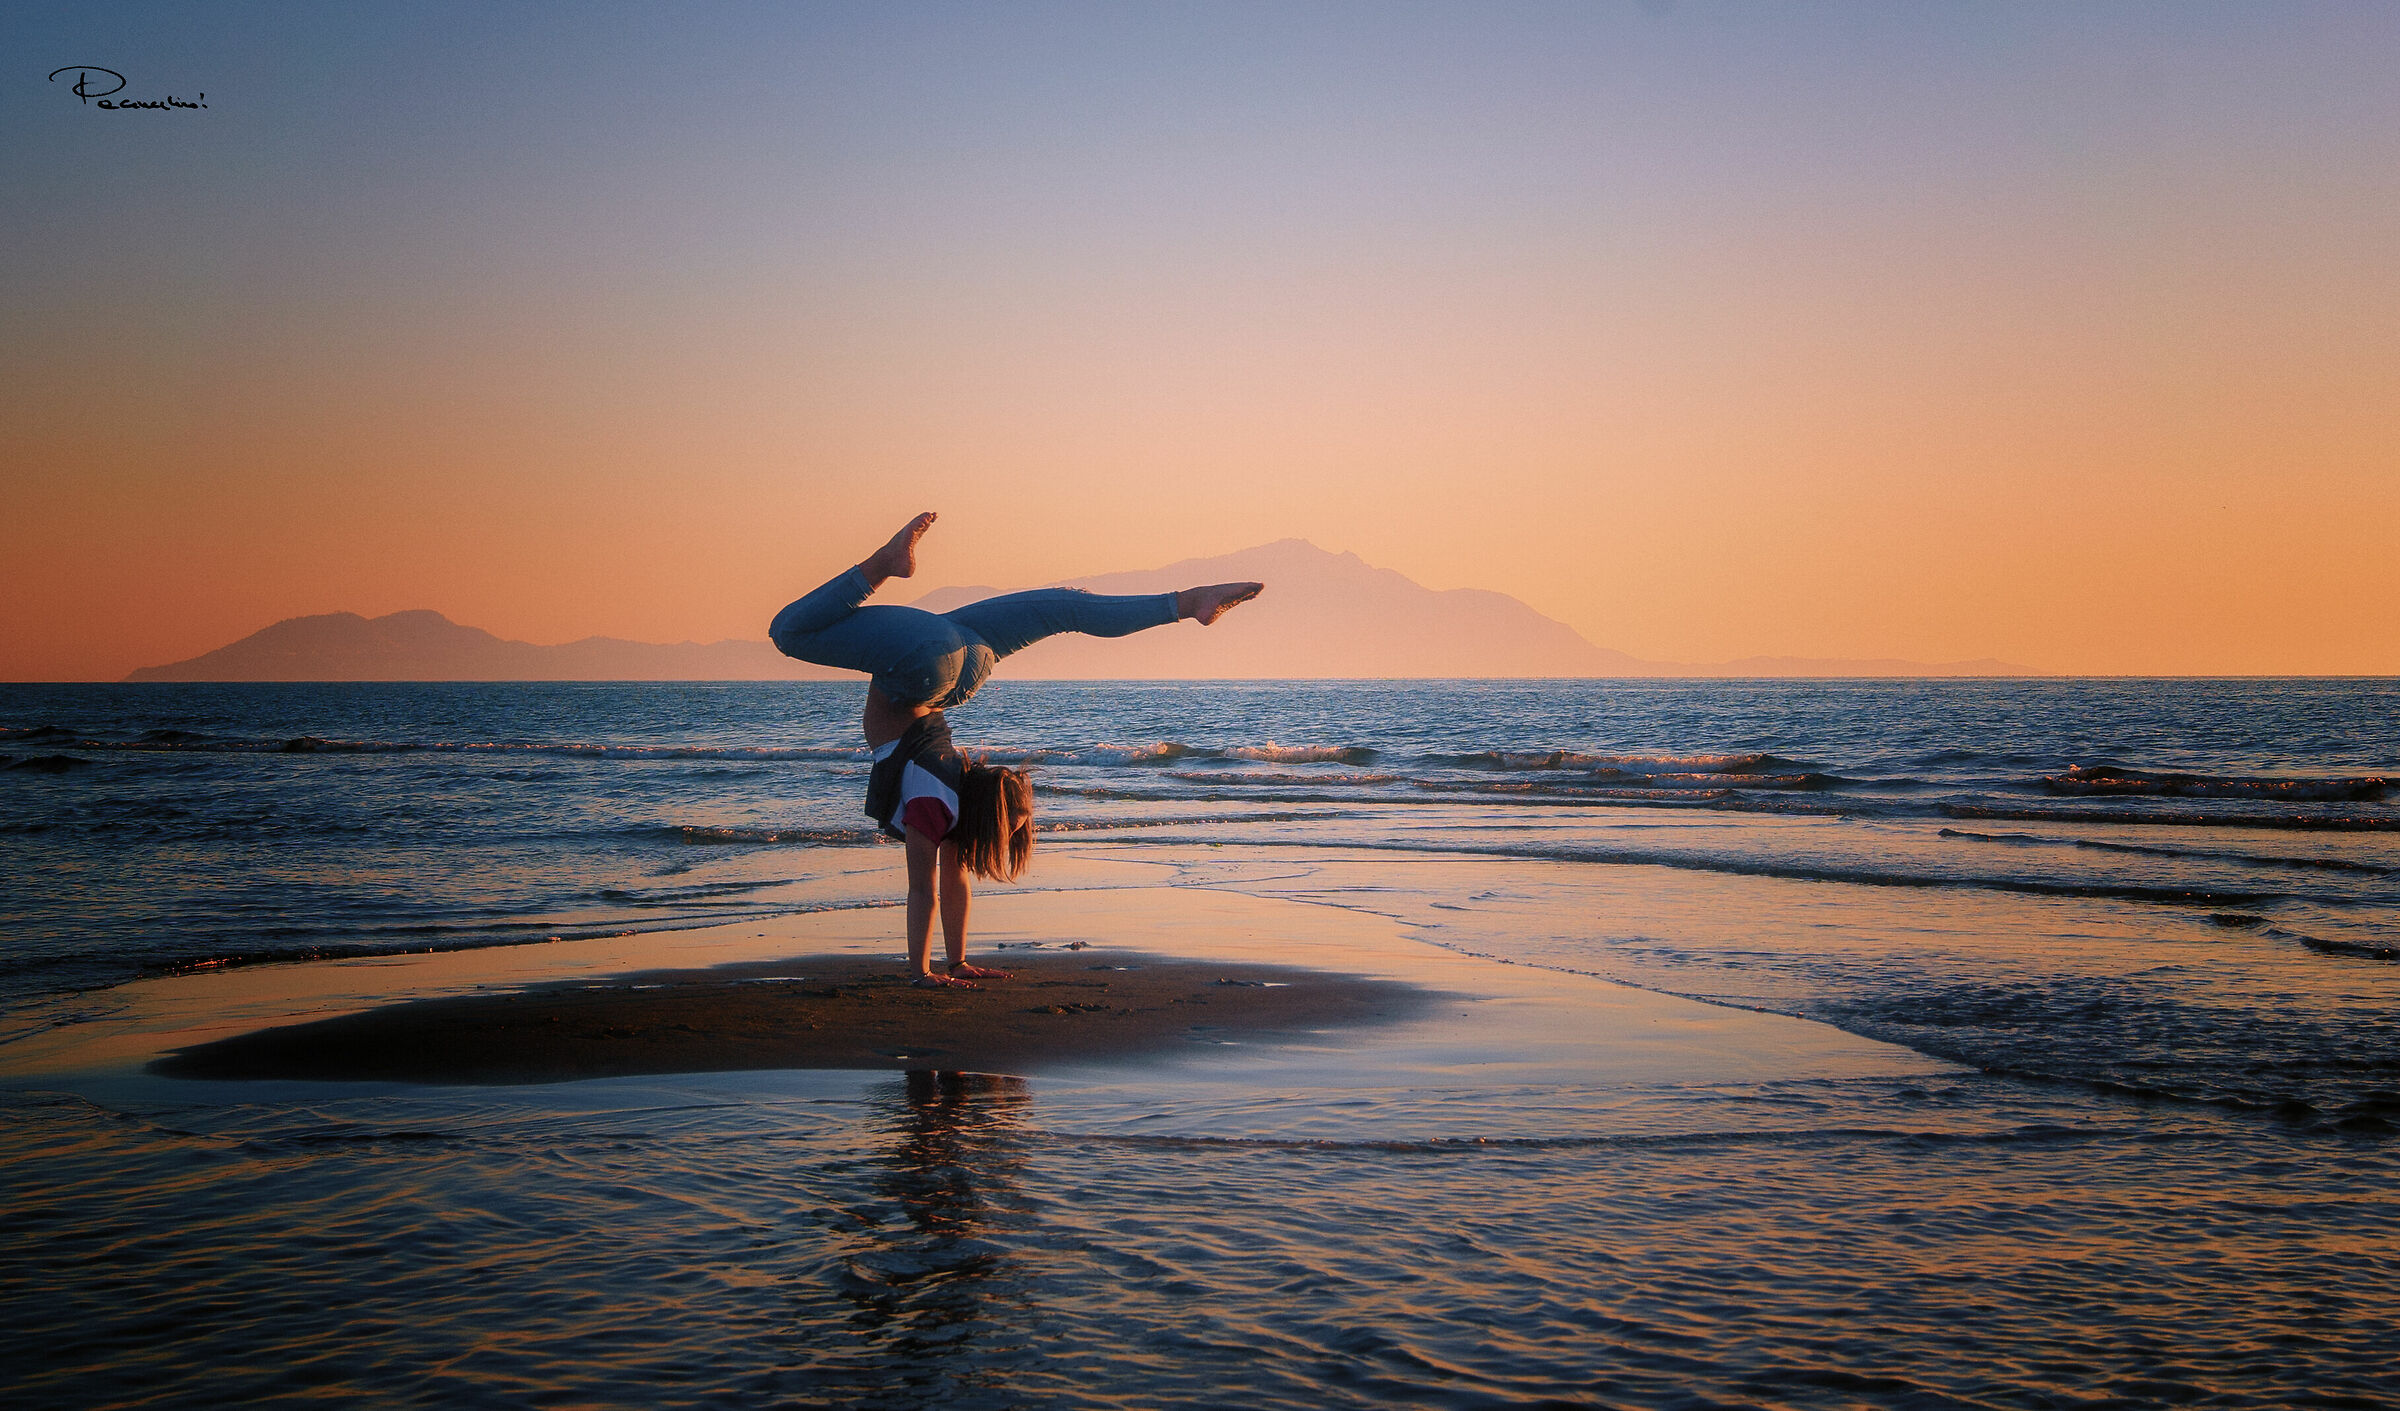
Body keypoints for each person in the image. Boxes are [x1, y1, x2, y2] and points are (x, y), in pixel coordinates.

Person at [769, 513, 1262, 989]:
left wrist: (954, 965)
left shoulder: (952, 789)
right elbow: (925, 891)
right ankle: (883, 563)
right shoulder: (937, 811)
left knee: (1064, 607)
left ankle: (1186, 602)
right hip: (928, 661)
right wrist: (929, 970)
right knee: (787, 632)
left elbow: (947, 888)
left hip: (967, 661)